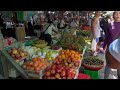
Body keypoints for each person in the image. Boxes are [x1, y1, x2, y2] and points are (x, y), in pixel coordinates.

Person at [104, 11, 120, 79]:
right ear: (113, 15)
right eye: (116, 13)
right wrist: (104, 46)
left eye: (119, 13)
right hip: (110, 49)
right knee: (108, 64)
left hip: (119, 48)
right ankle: (105, 78)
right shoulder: (110, 24)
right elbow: (107, 36)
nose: (118, 15)